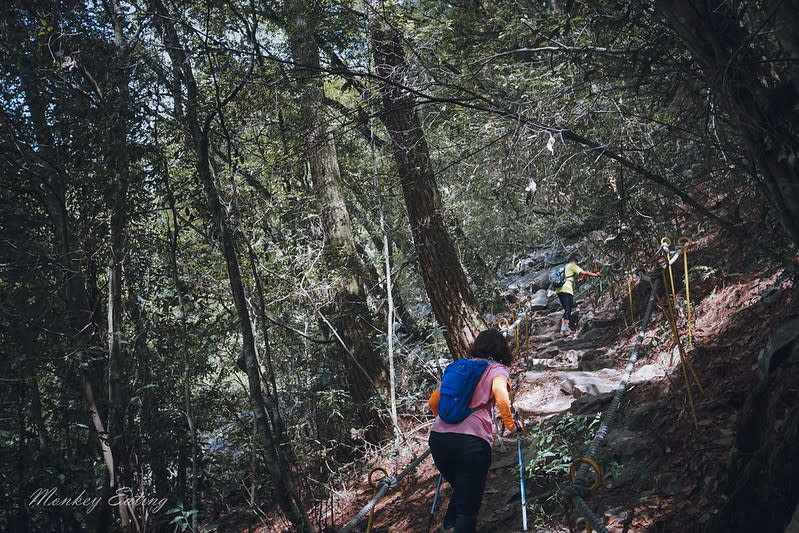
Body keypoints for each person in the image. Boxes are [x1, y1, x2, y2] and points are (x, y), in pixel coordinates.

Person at [427, 329, 521, 533]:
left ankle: (448, 526)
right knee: (469, 506)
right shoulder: (497, 369)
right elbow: (500, 394)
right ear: (501, 348)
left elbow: (433, 401)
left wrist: (446, 422)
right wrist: (511, 424)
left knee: (463, 488)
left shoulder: (460, 367)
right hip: (471, 443)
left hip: (439, 440)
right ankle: (455, 525)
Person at [555, 254, 601, 335]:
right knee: (568, 310)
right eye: (577, 263)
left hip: (559, 290)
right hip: (567, 290)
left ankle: (564, 328)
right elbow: (584, 272)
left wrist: (580, 280)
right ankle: (565, 329)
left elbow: (569, 280)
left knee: (566, 309)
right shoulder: (572, 265)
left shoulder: (564, 267)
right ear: (574, 261)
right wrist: (596, 275)